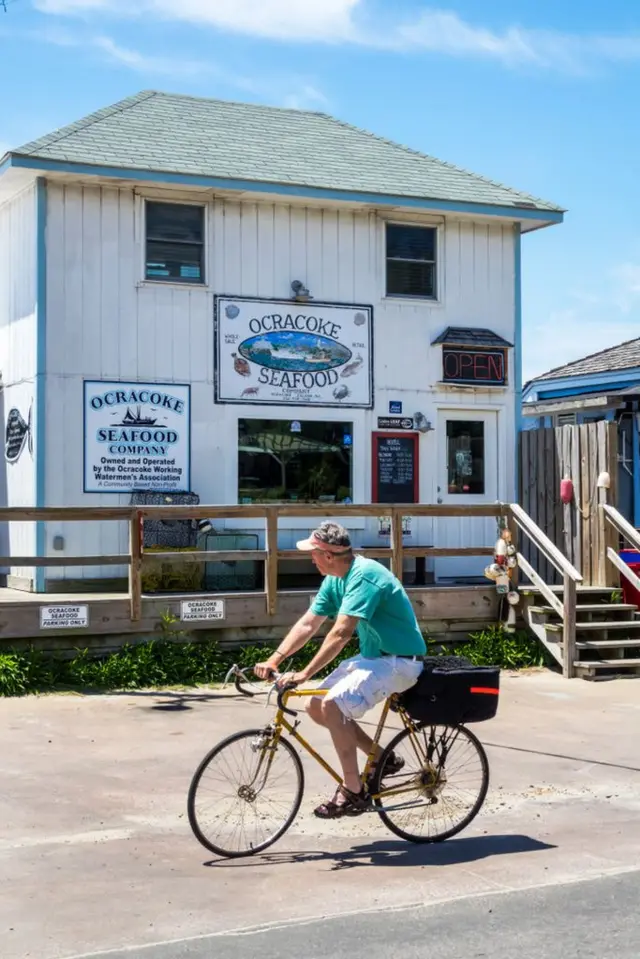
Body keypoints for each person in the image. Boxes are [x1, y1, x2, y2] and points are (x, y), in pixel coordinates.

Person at [254, 521, 426, 819]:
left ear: (328, 555)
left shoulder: (365, 576)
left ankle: (353, 790)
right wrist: (275, 659)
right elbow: (310, 623)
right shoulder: (335, 579)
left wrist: (305, 673)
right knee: (316, 705)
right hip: (374, 658)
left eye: (313, 553)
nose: (311, 559)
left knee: (333, 705)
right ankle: (383, 757)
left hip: (400, 662)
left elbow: (340, 633)